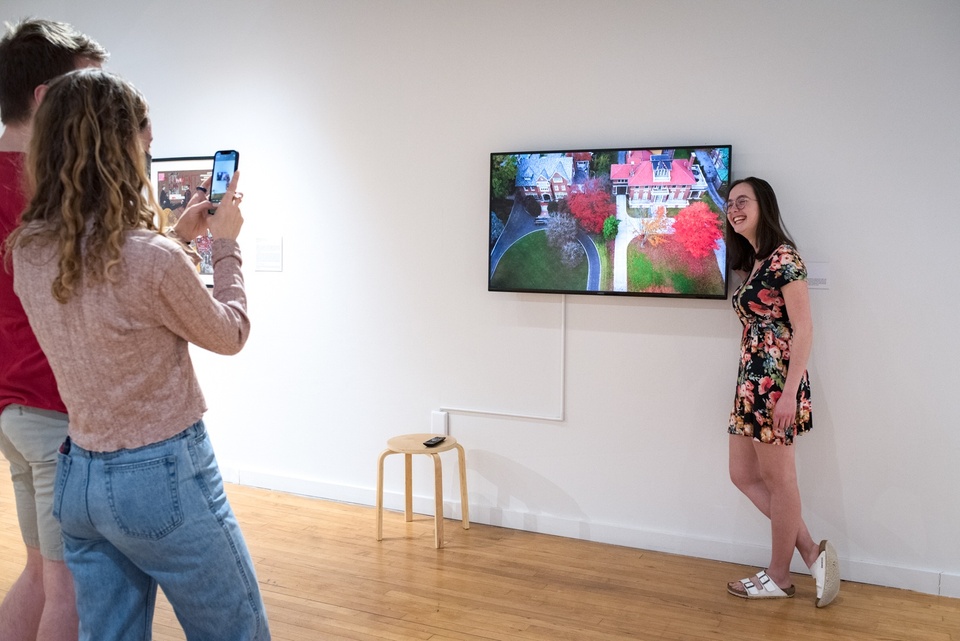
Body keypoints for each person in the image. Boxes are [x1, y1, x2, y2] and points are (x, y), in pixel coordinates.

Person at [7, 69, 270, 640]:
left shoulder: (28, 250)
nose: (148, 147)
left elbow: (105, 293)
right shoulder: (149, 258)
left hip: (80, 478)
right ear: (117, 149)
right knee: (236, 631)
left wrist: (174, 236)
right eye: (142, 139)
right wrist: (224, 246)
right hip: (162, 476)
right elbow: (230, 333)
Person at [0, 18, 108, 641]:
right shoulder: (40, 192)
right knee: (69, 591)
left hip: (15, 410)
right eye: (83, 93)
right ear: (45, 98)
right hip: (51, 411)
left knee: (41, 574)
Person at [723, 176, 840, 607]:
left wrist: (789, 393)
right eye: (729, 203)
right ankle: (810, 550)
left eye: (742, 201)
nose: (733, 209)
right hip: (750, 382)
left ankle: (779, 575)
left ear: (763, 205)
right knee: (742, 475)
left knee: (779, 479)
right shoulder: (753, 262)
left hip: (776, 385)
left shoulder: (785, 258)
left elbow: (805, 329)